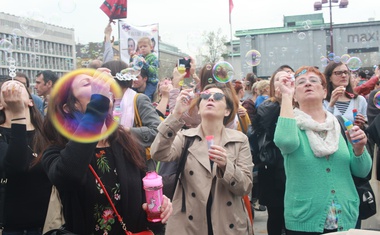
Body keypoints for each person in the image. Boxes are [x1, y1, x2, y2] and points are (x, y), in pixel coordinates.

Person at [40, 68, 172, 234]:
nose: (100, 86)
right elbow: (68, 175)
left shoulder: (126, 144)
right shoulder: (57, 152)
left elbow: (143, 202)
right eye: (88, 84)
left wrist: (158, 206)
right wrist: (98, 103)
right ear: (69, 106)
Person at [274, 65, 372, 234]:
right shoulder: (290, 124)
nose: (308, 84)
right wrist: (286, 96)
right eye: (301, 82)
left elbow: (362, 172)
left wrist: (359, 149)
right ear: (295, 94)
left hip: (346, 217)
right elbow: (286, 141)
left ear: (325, 92)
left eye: (313, 81)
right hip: (305, 220)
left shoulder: (340, 124)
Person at [150, 83, 253, 235]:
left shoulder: (240, 140)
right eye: (205, 96)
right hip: (189, 225)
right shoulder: (185, 137)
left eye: (217, 97)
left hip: (227, 224)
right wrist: (176, 115)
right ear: (198, 109)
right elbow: (158, 153)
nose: (210, 98)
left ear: (227, 111)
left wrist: (226, 166)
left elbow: (245, 186)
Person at [0, 79, 51, 235]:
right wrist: (18, 116)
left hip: (47, 225)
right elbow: (16, 166)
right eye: (5, 89)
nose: (13, 88)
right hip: (11, 228)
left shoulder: (47, 134)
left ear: (30, 101)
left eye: (19, 87)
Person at [250, 67, 292, 235]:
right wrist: (283, 101)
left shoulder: (301, 105)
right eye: (278, 79)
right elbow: (264, 129)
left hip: (294, 168)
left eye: (288, 77)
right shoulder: (267, 106)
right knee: (276, 215)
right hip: (273, 169)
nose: (283, 82)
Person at [102, 60, 161, 171]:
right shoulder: (108, 101)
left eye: (104, 78)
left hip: (138, 165)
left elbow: (157, 130)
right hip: (116, 163)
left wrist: (126, 130)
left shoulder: (138, 99)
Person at [323, 61, 367, 129]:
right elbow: (323, 125)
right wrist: (331, 104)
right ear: (329, 78)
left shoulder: (359, 100)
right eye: (338, 73)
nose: (344, 75)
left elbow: (367, 126)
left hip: (353, 139)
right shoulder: (323, 102)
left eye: (346, 72)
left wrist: (362, 125)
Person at [132, 36, 159, 101]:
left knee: (147, 95)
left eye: (145, 46)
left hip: (151, 82)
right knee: (132, 92)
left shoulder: (153, 58)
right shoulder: (139, 57)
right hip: (142, 80)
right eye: (140, 47)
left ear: (151, 47)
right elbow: (136, 68)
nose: (142, 48)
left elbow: (154, 71)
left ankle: (148, 106)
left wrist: (145, 64)